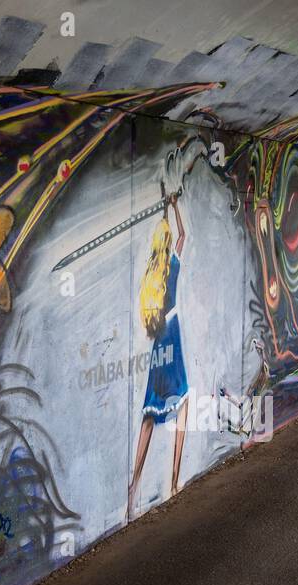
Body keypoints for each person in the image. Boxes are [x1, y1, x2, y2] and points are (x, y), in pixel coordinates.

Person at [128, 191, 189, 515]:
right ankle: (175, 480)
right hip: (173, 334)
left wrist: (165, 207)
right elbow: (184, 234)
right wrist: (176, 205)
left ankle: (134, 485)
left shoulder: (152, 273)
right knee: (184, 401)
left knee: (150, 412)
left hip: (157, 342)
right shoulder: (174, 265)